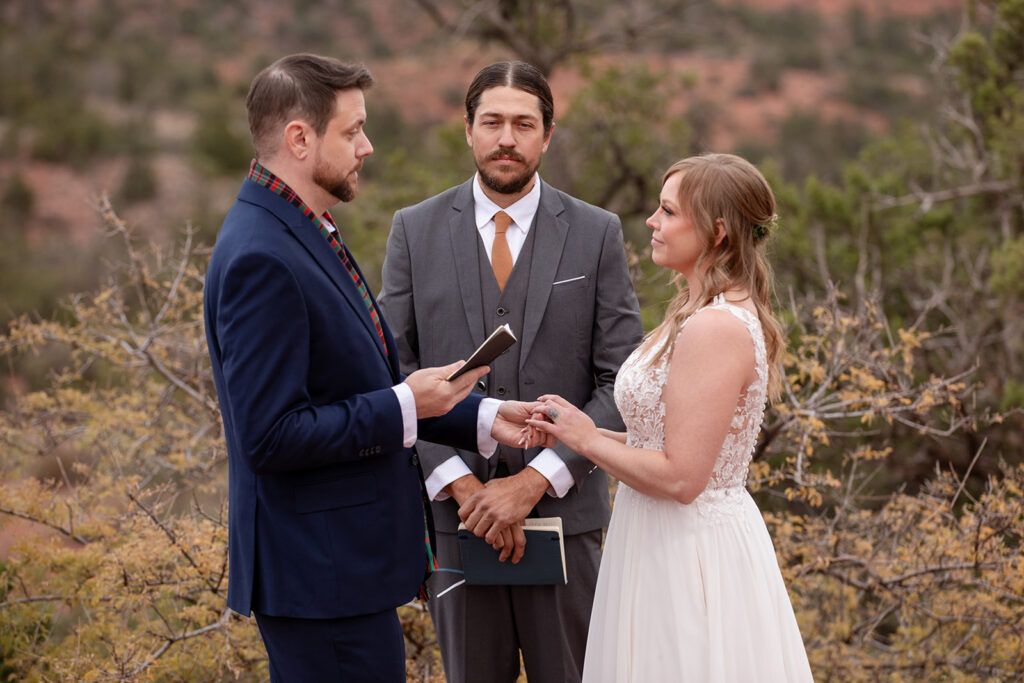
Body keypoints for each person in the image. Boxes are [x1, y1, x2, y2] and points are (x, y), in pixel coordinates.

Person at [203, 53, 542, 683]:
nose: (368, 146)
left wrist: (488, 416)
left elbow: (361, 384)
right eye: (353, 130)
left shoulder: (305, 229)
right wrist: (406, 405)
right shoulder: (262, 256)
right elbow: (270, 436)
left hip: (339, 578)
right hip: (318, 580)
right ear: (299, 139)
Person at [377, 61, 643, 683]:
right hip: (455, 520)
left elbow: (622, 382)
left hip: (566, 518)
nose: (506, 138)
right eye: (492, 122)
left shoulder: (596, 233)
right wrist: (463, 488)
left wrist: (534, 483)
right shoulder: (412, 231)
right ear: (467, 130)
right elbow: (392, 373)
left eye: (524, 124)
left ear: (547, 135)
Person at [527, 153, 814, 681]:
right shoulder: (694, 312)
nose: (652, 223)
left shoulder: (715, 327)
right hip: (655, 537)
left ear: (718, 231)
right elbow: (657, 439)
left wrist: (587, 440)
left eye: (668, 212)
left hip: (689, 553)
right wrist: (571, 425)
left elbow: (682, 477)